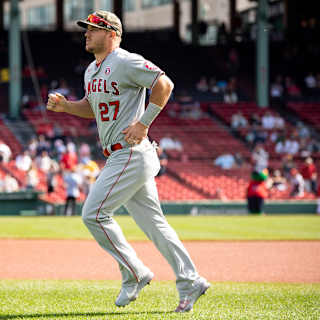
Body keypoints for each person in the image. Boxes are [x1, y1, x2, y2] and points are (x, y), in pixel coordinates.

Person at [46, 10, 209, 313]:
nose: (86, 33)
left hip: (131, 152)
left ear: (111, 33)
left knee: (93, 214)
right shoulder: (91, 71)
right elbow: (93, 109)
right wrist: (67, 107)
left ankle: (135, 272)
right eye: (86, 29)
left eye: (93, 29)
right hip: (123, 154)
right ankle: (191, 280)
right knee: (156, 226)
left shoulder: (125, 60)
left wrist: (145, 122)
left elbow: (165, 84)